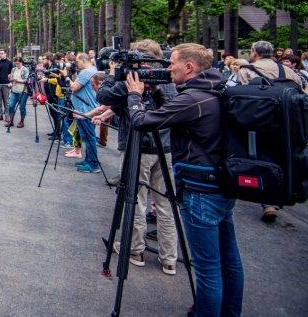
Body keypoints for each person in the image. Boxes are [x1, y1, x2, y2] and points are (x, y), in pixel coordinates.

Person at [125, 43, 242, 317]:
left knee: (208, 268)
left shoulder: (193, 99)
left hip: (200, 189)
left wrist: (134, 96)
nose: (168, 68)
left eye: (173, 63)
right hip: (221, 184)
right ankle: (229, 312)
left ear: (189, 67)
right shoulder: (218, 89)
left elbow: (142, 121)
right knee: (229, 261)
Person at [93, 39, 179, 275]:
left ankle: (135, 250)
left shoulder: (134, 80)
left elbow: (103, 96)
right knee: (166, 203)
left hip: (138, 146)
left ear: (138, 58)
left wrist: (113, 74)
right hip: (166, 147)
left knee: (137, 199)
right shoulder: (167, 78)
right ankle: (169, 258)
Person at [236, 40, 308, 224]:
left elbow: (241, 97)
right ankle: (284, 191)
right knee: (282, 158)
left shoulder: (247, 71)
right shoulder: (288, 71)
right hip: (286, 124)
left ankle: (267, 201)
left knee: (261, 159)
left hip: (258, 124)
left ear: (254, 52)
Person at [67, 53, 101, 173]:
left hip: (85, 110)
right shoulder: (93, 70)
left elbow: (74, 87)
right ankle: (88, 160)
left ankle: (93, 164)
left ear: (83, 60)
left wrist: (66, 78)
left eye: (77, 61)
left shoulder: (86, 72)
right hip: (85, 109)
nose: (76, 64)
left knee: (89, 138)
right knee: (87, 137)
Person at [5, 56, 29, 127]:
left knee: (22, 107)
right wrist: (10, 81)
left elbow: (26, 81)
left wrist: (17, 80)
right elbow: (11, 79)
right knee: (11, 106)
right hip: (14, 90)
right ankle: (11, 121)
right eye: (15, 63)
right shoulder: (13, 69)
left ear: (21, 62)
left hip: (23, 91)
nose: (17, 65)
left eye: (18, 63)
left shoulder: (25, 70)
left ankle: (22, 122)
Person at [0, 49, 12, 120]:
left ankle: (7, 116)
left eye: (2, 53)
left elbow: (11, 73)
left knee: (6, 101)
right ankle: (0, 115)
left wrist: (11, 82)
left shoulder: (10, 63)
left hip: (6, 85)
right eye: (0, 53)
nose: (1, 54)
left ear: (5, 54)